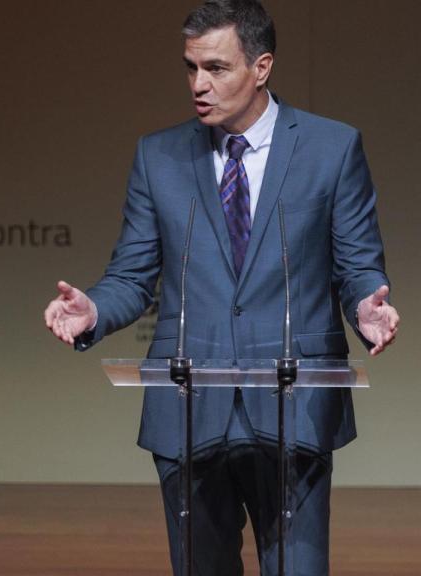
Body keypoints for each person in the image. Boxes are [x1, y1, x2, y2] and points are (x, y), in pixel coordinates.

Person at [43, 1, 400, 574]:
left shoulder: (332, 149)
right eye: (191, 68)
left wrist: (367, 307)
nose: (199, 84)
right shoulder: (158, 156)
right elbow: (132, 276)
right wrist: (94, 310)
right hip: (190, 407)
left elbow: (357, 265)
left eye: (216, 68)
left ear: (261, 67)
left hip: (294, 404)